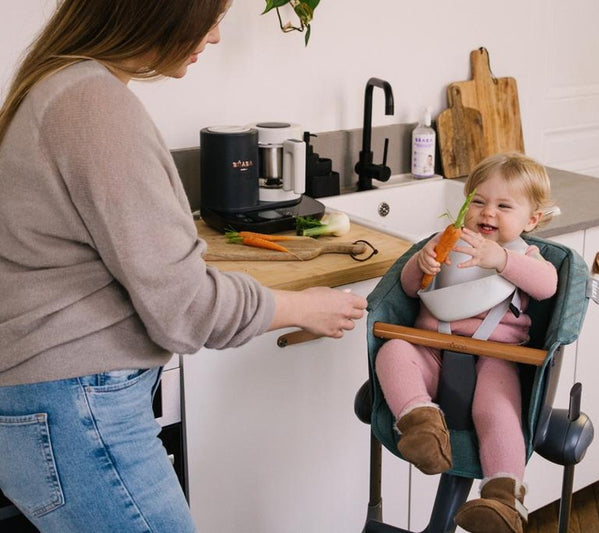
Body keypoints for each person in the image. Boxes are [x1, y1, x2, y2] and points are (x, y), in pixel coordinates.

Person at [0, 1, 367, 532]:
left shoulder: (62, 85)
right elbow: (187, 307)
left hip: (57, 402)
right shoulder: (93, 106)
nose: (215, 37)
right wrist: (302, 306)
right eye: (210, 16)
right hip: (77, 407)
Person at [374, 153, 558, 533]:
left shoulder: (527, 255)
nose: (487, 212)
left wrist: (502, 259)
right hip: (430, 348)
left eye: (504, 206)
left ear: (532, 220)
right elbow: (409, 289)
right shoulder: (445, 241)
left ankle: (502, 498)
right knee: (392, 352)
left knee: (499, 410)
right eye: (477, 200)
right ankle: (420, 425)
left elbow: (546, 286)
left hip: (493, 357)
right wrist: (420, 266)